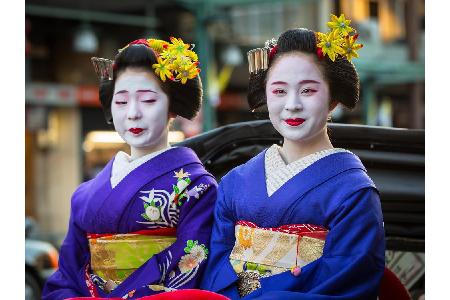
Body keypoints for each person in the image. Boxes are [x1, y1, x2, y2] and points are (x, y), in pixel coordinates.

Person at [201, 14, 385, 299]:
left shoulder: (354, 191)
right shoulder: (235, 181)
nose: (292, 105)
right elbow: (214, 268)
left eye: (308, 90)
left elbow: (349, 280)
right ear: (265, 96)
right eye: (279, 91)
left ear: (333, 99)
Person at [43, 37, 218, 299]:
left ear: (173, 106)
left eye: (148, 100)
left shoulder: (197, 188)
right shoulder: (85, 194)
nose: (133, 113)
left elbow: (189, 267)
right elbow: (67, 275)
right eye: (121, 102)